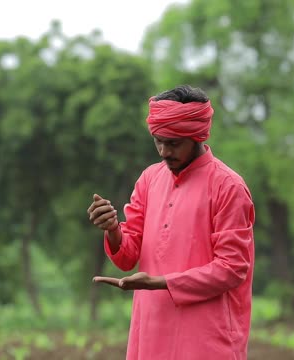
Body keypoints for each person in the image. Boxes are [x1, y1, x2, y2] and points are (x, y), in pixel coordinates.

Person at [87, 85, 255, 360]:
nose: (164, 151)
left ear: (197, 136)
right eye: (158, 141)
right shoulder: (150, 179)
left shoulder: (228, 186)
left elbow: (232, 268)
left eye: (173, 143)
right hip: (151, 330)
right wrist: (113, 229)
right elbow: (128, 256)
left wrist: (162, 282)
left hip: (207, 337)